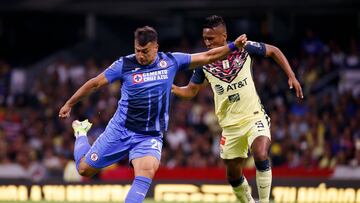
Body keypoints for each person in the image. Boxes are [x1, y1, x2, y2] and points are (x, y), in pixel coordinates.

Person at [58, 26, 247, 203]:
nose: (140, 55)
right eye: (137, 50)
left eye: (145, 51)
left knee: (145, 173)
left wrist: (232, 46)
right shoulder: (124, 64)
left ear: (156, 47)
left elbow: (207, 56)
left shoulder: (171, 61)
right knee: (84, 170)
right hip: (121, 130)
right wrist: (69, 103)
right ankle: (81, 132)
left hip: (149, 135)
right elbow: (95, 83)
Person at [172, 15, 303, 203]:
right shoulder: (204, 62)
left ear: (223, 36)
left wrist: (291, 76)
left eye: (211, 38)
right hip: (230, 127)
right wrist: (173, 88)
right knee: (233, 175)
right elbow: (191, 91)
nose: (206, 42)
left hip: (253, 117)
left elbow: (273, 51)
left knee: (260, 153)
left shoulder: (243, 47)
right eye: (204, 38)